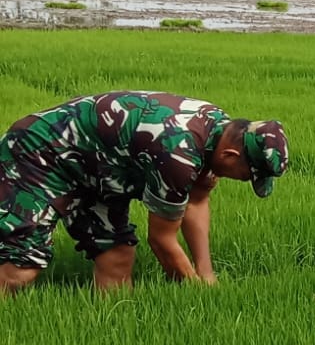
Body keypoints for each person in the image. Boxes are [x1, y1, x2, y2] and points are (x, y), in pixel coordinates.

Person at [0, 90, 288, 295]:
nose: (243, 181)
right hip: (39, 154)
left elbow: (197, 201)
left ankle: (108, 334)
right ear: (231, 155)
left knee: (117, 256)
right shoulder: (179, 154)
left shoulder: (221, 132)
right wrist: (194, 292)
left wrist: (206, 273)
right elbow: (161, 239)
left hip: (98, 169)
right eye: (247, 175)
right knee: (20, 268)